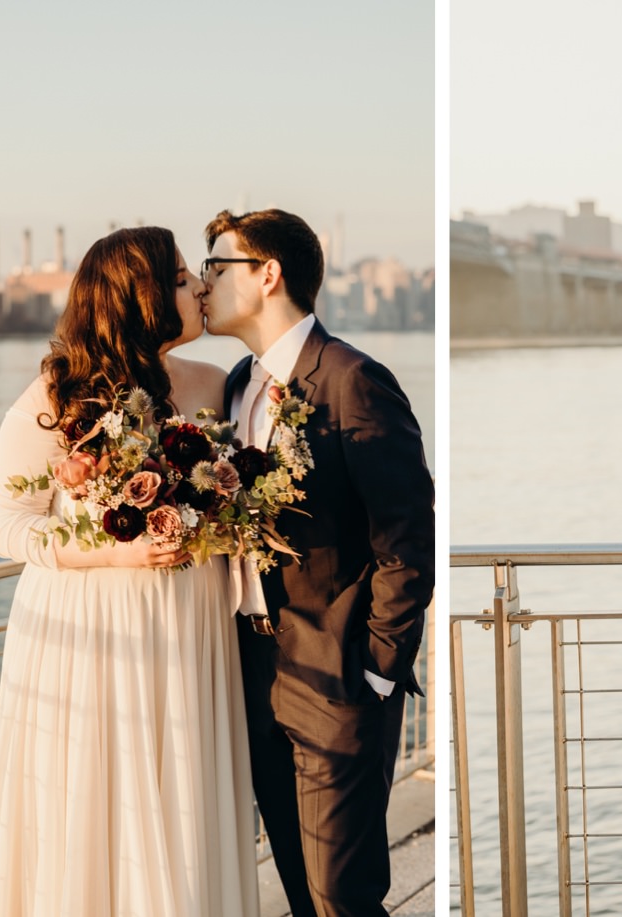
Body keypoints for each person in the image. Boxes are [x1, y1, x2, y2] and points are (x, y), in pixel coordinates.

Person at [0, 227, 260, 915]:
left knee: (182, 804)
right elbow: (4, 526)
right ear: (143, 295)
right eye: (183, 276)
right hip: (89, 637)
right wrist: (116, 549)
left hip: (188, 629)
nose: (199, 286)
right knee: (93, 812)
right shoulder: (58, 393)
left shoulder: (219, 387)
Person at [199, 208, 435, 917]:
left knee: (343, 897)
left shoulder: (352, 380)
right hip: (256, 672)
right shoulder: (236, 385)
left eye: (216, 266)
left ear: (267, 274)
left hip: (338, 679)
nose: (205, 282)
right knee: (302, 893)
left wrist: (377, 667)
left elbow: (408, 535)